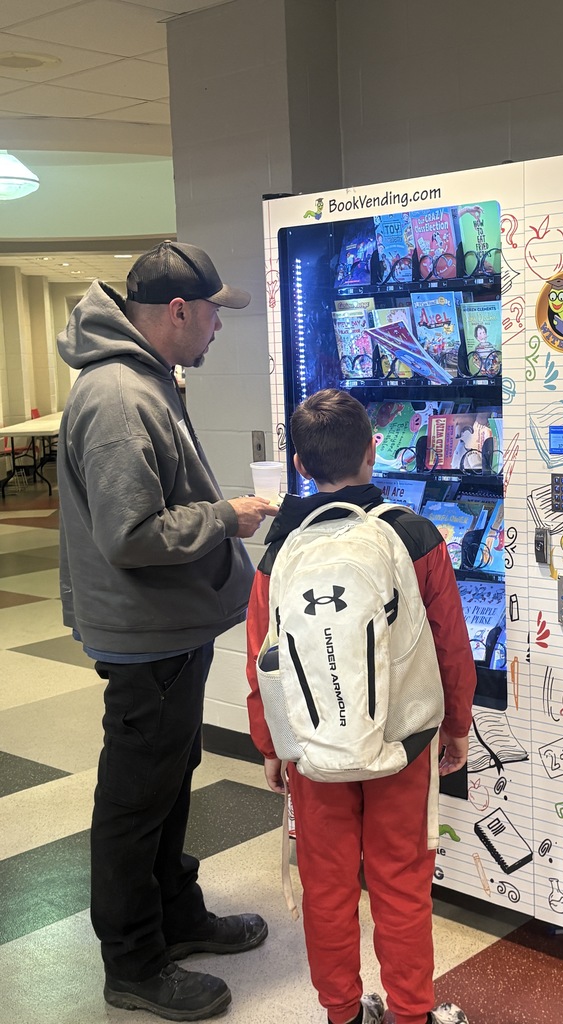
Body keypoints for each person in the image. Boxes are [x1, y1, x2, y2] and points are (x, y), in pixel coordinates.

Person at [57, 240, 279, 1021]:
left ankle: (176, 917)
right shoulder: (120, 396)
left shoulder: (145, 379)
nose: (220, 325)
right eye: (215, 310)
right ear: (178, 310)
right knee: (135, 800)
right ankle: (136, 963)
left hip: (168, 630)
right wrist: (229, 518)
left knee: (164, 784)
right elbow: (129, 534)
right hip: (145, 636)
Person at [245, 388, 476, 1024]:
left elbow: (261, 658)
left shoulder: (281, 550)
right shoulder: (413, 533)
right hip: (402, 742)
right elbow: (450, 644)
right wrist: (455, 726)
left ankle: (342, 1013)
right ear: (374, 451)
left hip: (314, 751)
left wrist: (270, 746)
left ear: (298, 464)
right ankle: (410, 1013)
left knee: (327, 885)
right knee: (402, 881)